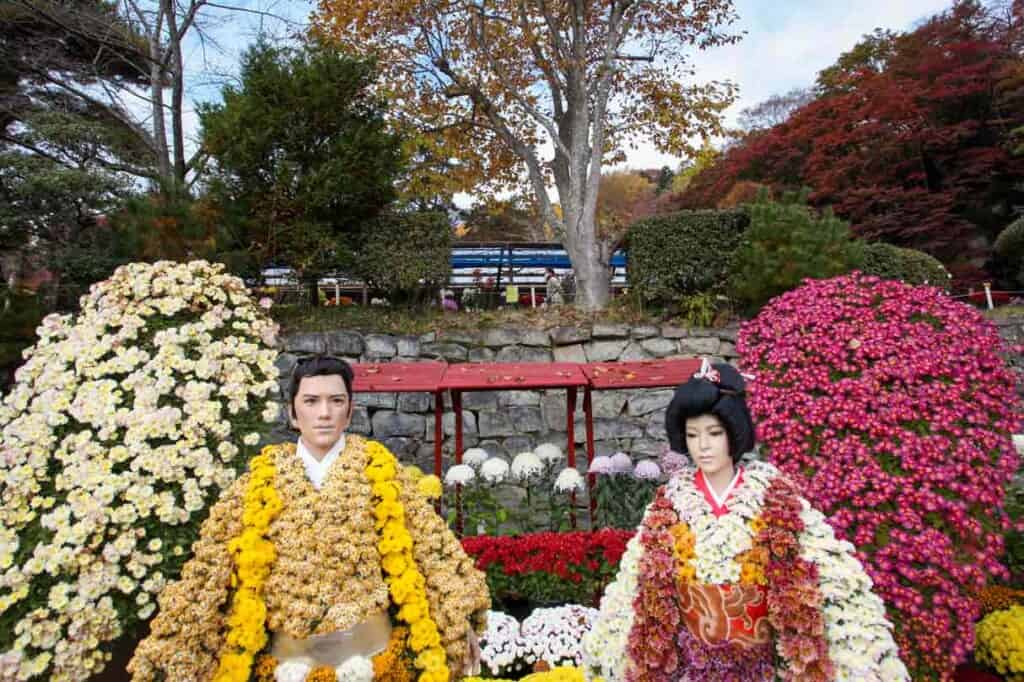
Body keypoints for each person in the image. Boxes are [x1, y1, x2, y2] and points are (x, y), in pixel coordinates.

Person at [129, 356, 490, 682]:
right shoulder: (260, 480)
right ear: (292, 412)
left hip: (377, 659)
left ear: (350, 412)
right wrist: (173, 647)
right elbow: (208, 569)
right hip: (286, 665)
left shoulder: (380, 470)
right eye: (311, 401)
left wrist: (460, 617)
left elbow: (432, 547)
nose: (324, 413)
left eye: (336, 401)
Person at [581, 359, 908, 682]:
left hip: (759, 665)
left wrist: (865, 649)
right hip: (691, 664)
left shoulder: (775, 497)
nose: (703, 446)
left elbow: (827, 570)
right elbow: (633, 586)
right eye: (693, 435)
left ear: (734, 434)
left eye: (714, 433)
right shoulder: (668, 506)